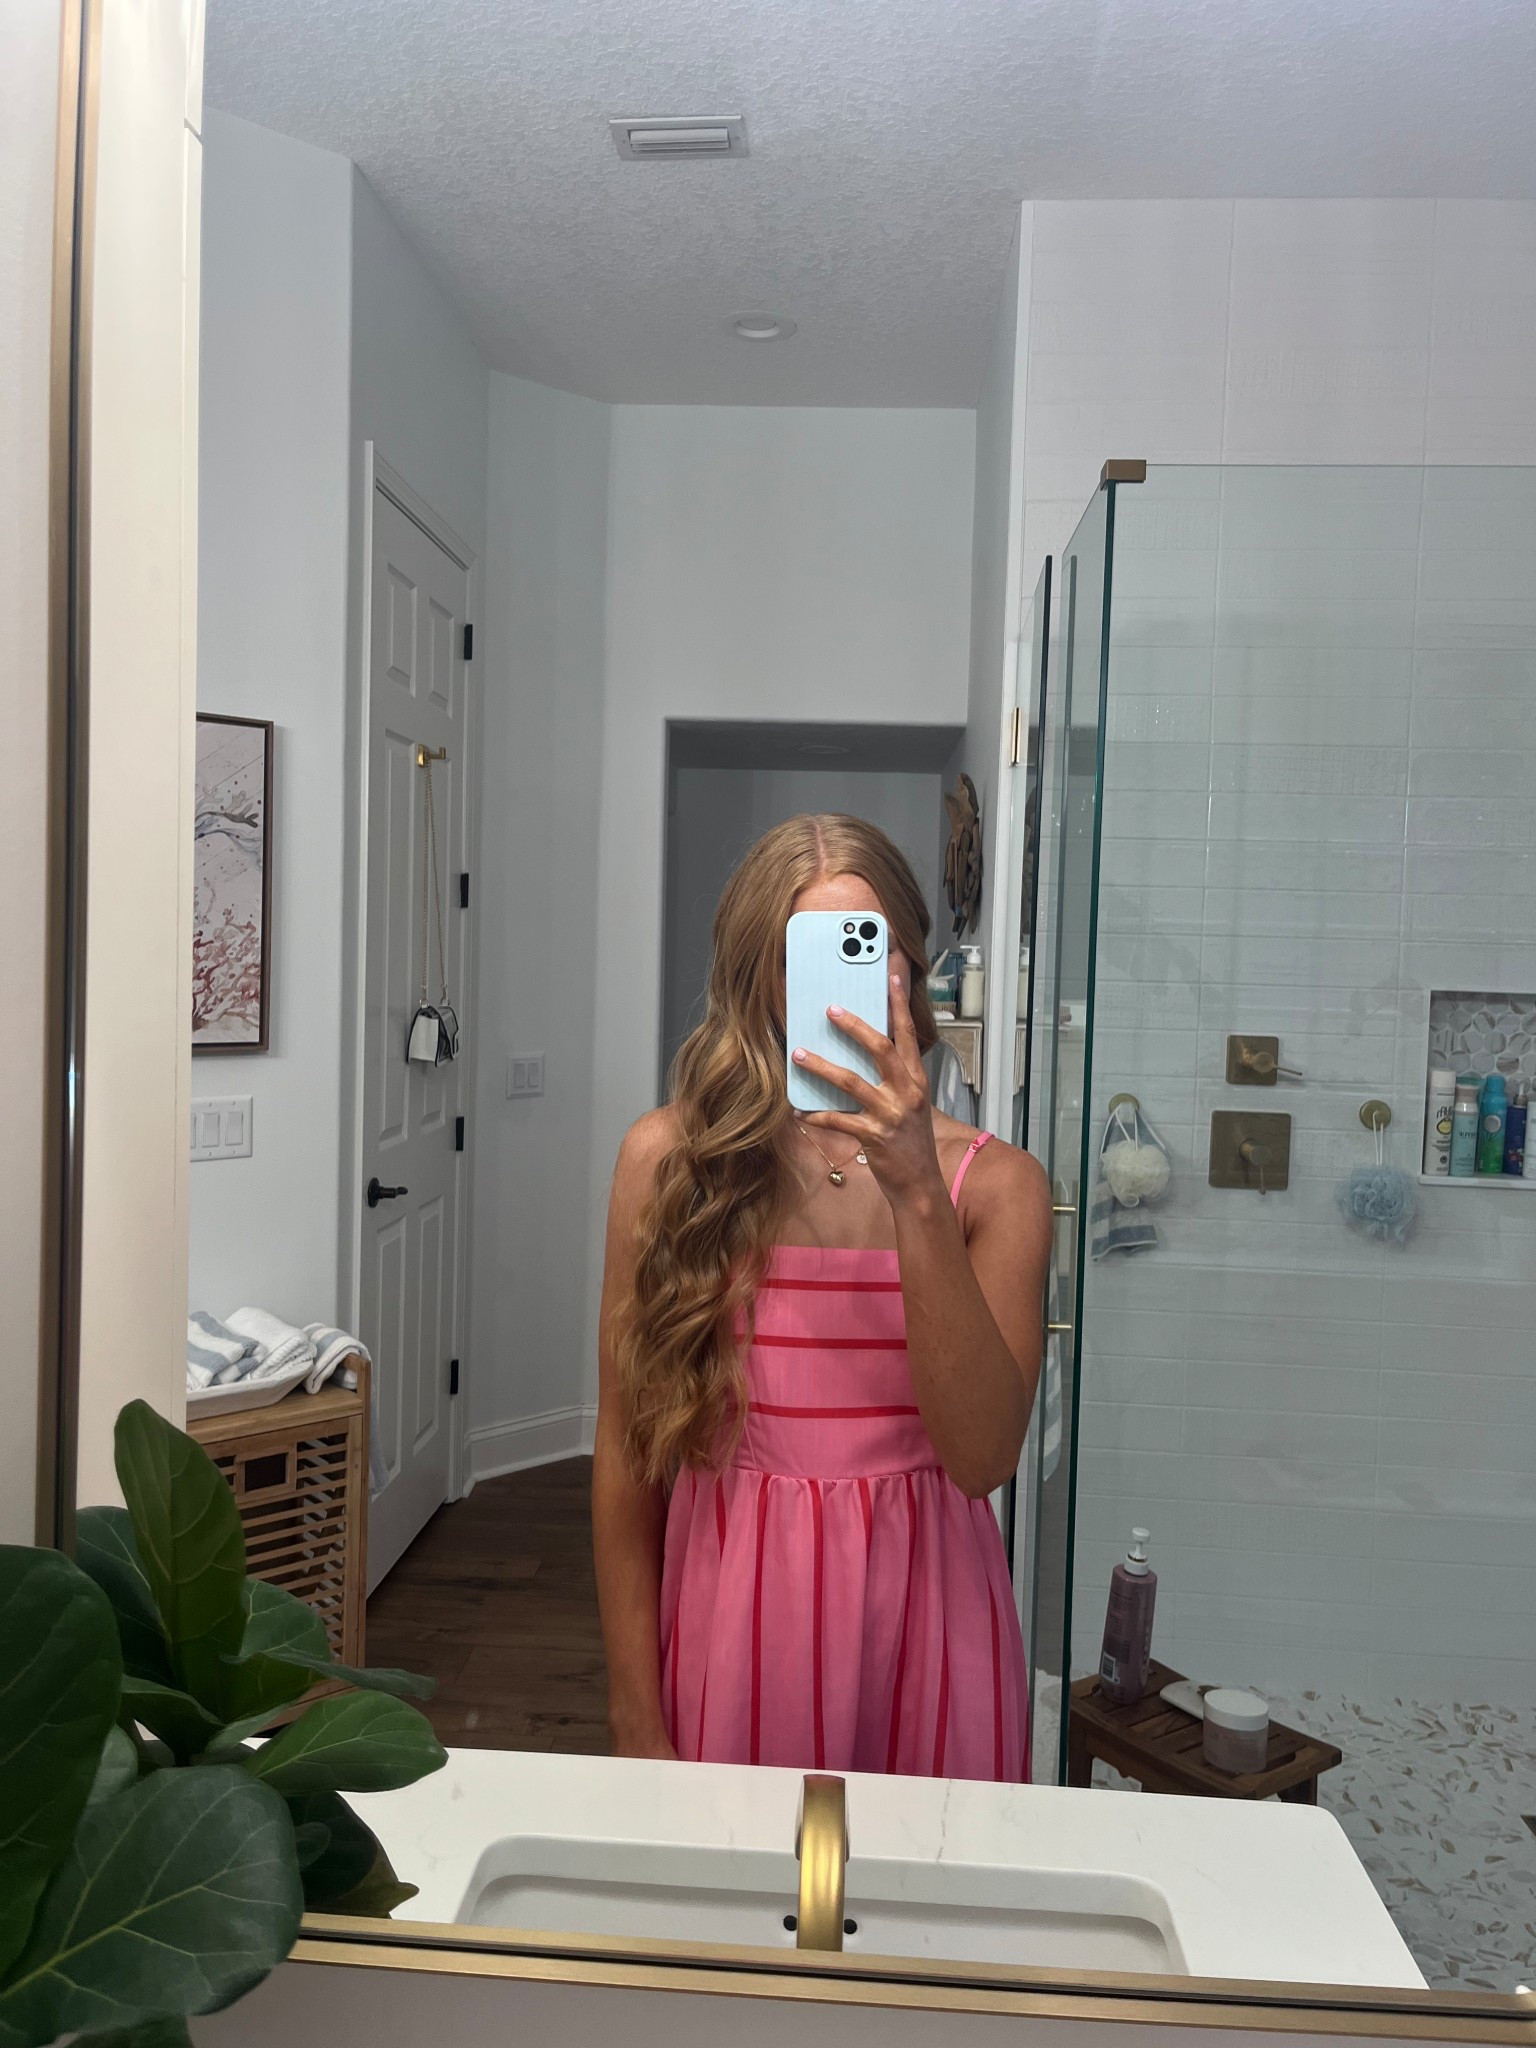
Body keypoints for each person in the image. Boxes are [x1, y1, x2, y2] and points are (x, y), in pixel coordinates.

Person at [592, 814, 1051, 1780]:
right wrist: (635, 1716)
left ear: (909, 966)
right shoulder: (669, 1163)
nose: (839, 989)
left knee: (928, 1878)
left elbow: (981, 1461)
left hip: (932, 1623)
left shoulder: (998, 1188)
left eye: (867, 950)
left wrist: (917, 1190)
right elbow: (627, 1456)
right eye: (803, 957)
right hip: (733, 1617)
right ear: (760, 976)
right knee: (729, 1878)